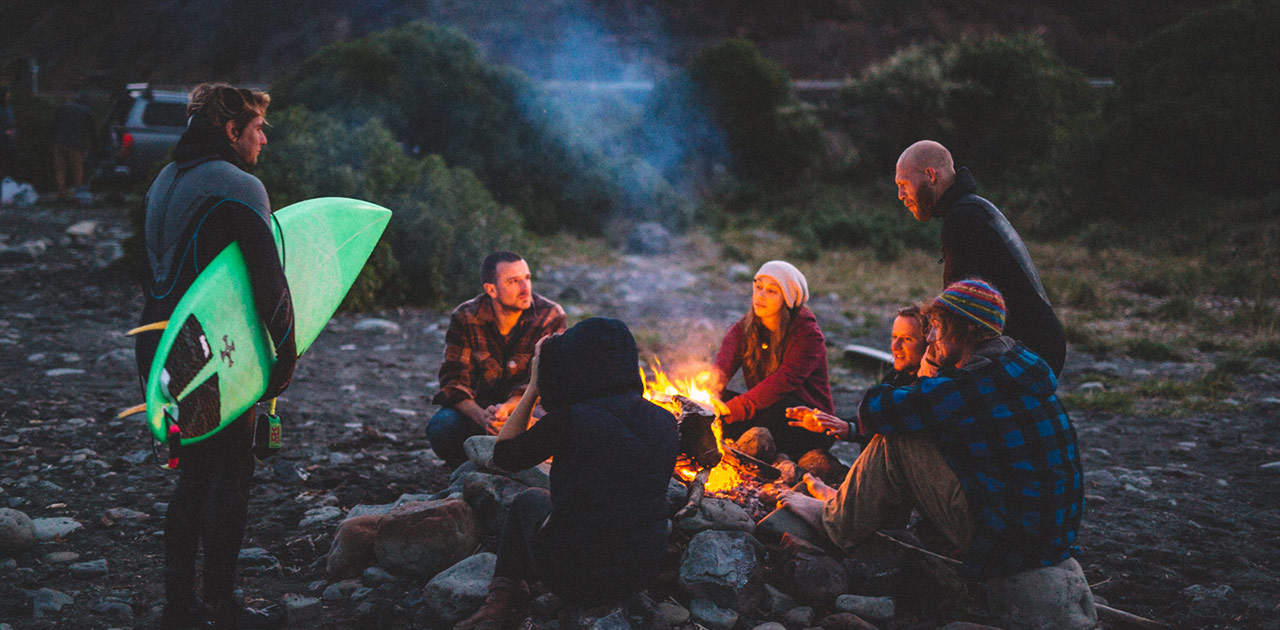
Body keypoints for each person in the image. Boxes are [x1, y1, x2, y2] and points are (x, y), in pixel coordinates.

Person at [779, 279, 1093, 629]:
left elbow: (878, 409)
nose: (929, 339)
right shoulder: (1019, 364)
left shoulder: (975, 384)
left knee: (898, 438)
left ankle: (834, 521)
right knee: (923, 429)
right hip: (1050, 534)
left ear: (968, 331)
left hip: (1009, 542)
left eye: (937, 329)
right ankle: (858, 512)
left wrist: (925, 375)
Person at [134, 82, 295, 630]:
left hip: (157, 346)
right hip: (209, 351)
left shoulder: (164, 180)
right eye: (256, 129)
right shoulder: (238, 185)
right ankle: (222, 604)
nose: (264, 139)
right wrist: (284, 355)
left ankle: (178, 605)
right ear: (231, 132)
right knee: (231, 475)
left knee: (193, 477)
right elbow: (268, 281)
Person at [454, 318, 680, 630]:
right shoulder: (666, 422)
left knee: (529, 501)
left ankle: (500, 602)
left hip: (576, 575)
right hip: (640, 570)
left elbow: (503, 456)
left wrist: (533, 386)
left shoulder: (570, 420)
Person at [894, 140, 1066, 376]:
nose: (901, 195)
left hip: (1025, 353)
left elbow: (960, 313)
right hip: (1038, 346)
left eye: (903, 184)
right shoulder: (974, 209)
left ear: (931, 175)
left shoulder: (964, 218)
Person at [428, 251, 566, 468]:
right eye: (513, 281)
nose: (525, 288)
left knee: (553, 427)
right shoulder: (466, 316)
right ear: (491, 289)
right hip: (479, 408)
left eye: (527, 278)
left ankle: (521, 464)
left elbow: (550, 380)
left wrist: (510, 411)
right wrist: (483, 417)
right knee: (442, 427)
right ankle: (470, 467)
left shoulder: (549, 316)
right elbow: (454, 380)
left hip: (528, 405)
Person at [712, 260, 834, 458]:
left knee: (771, 411)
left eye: (771, 291)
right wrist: (708, 396)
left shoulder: (807, 334)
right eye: (758, 287)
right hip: (766, 408)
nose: (760, 295)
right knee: (717, 401)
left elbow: (781, 383)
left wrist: (732, 410)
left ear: (787, 298)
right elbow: (720, 370)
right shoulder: (745, 328)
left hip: (804, 422)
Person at [786, 304, 931, 440]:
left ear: (928, 343)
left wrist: (850, 429)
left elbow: (890, 424)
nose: (896, 346)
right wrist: (830, 423)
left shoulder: (931, 387)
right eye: (894, 337)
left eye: (907, 339)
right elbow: (873, 420)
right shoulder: (896, 376)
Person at [52, 91, 95, 196]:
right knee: (77, 168)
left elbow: (54, 124)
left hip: (59, 142)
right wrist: (93, 144)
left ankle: (61, 190)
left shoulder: (62, 108)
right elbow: (91, 130)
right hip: (76, 143)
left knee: (60, 168)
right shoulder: (86, 110)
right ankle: (78, 192)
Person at [0, 87, 15, 180]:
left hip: (9, 142)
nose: (9, 96)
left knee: (8, 164)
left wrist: (13, 131)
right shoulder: (3, 109)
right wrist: (4, 132)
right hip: (3, 141)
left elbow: (12, 122)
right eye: (7, 94)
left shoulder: (8, 108)